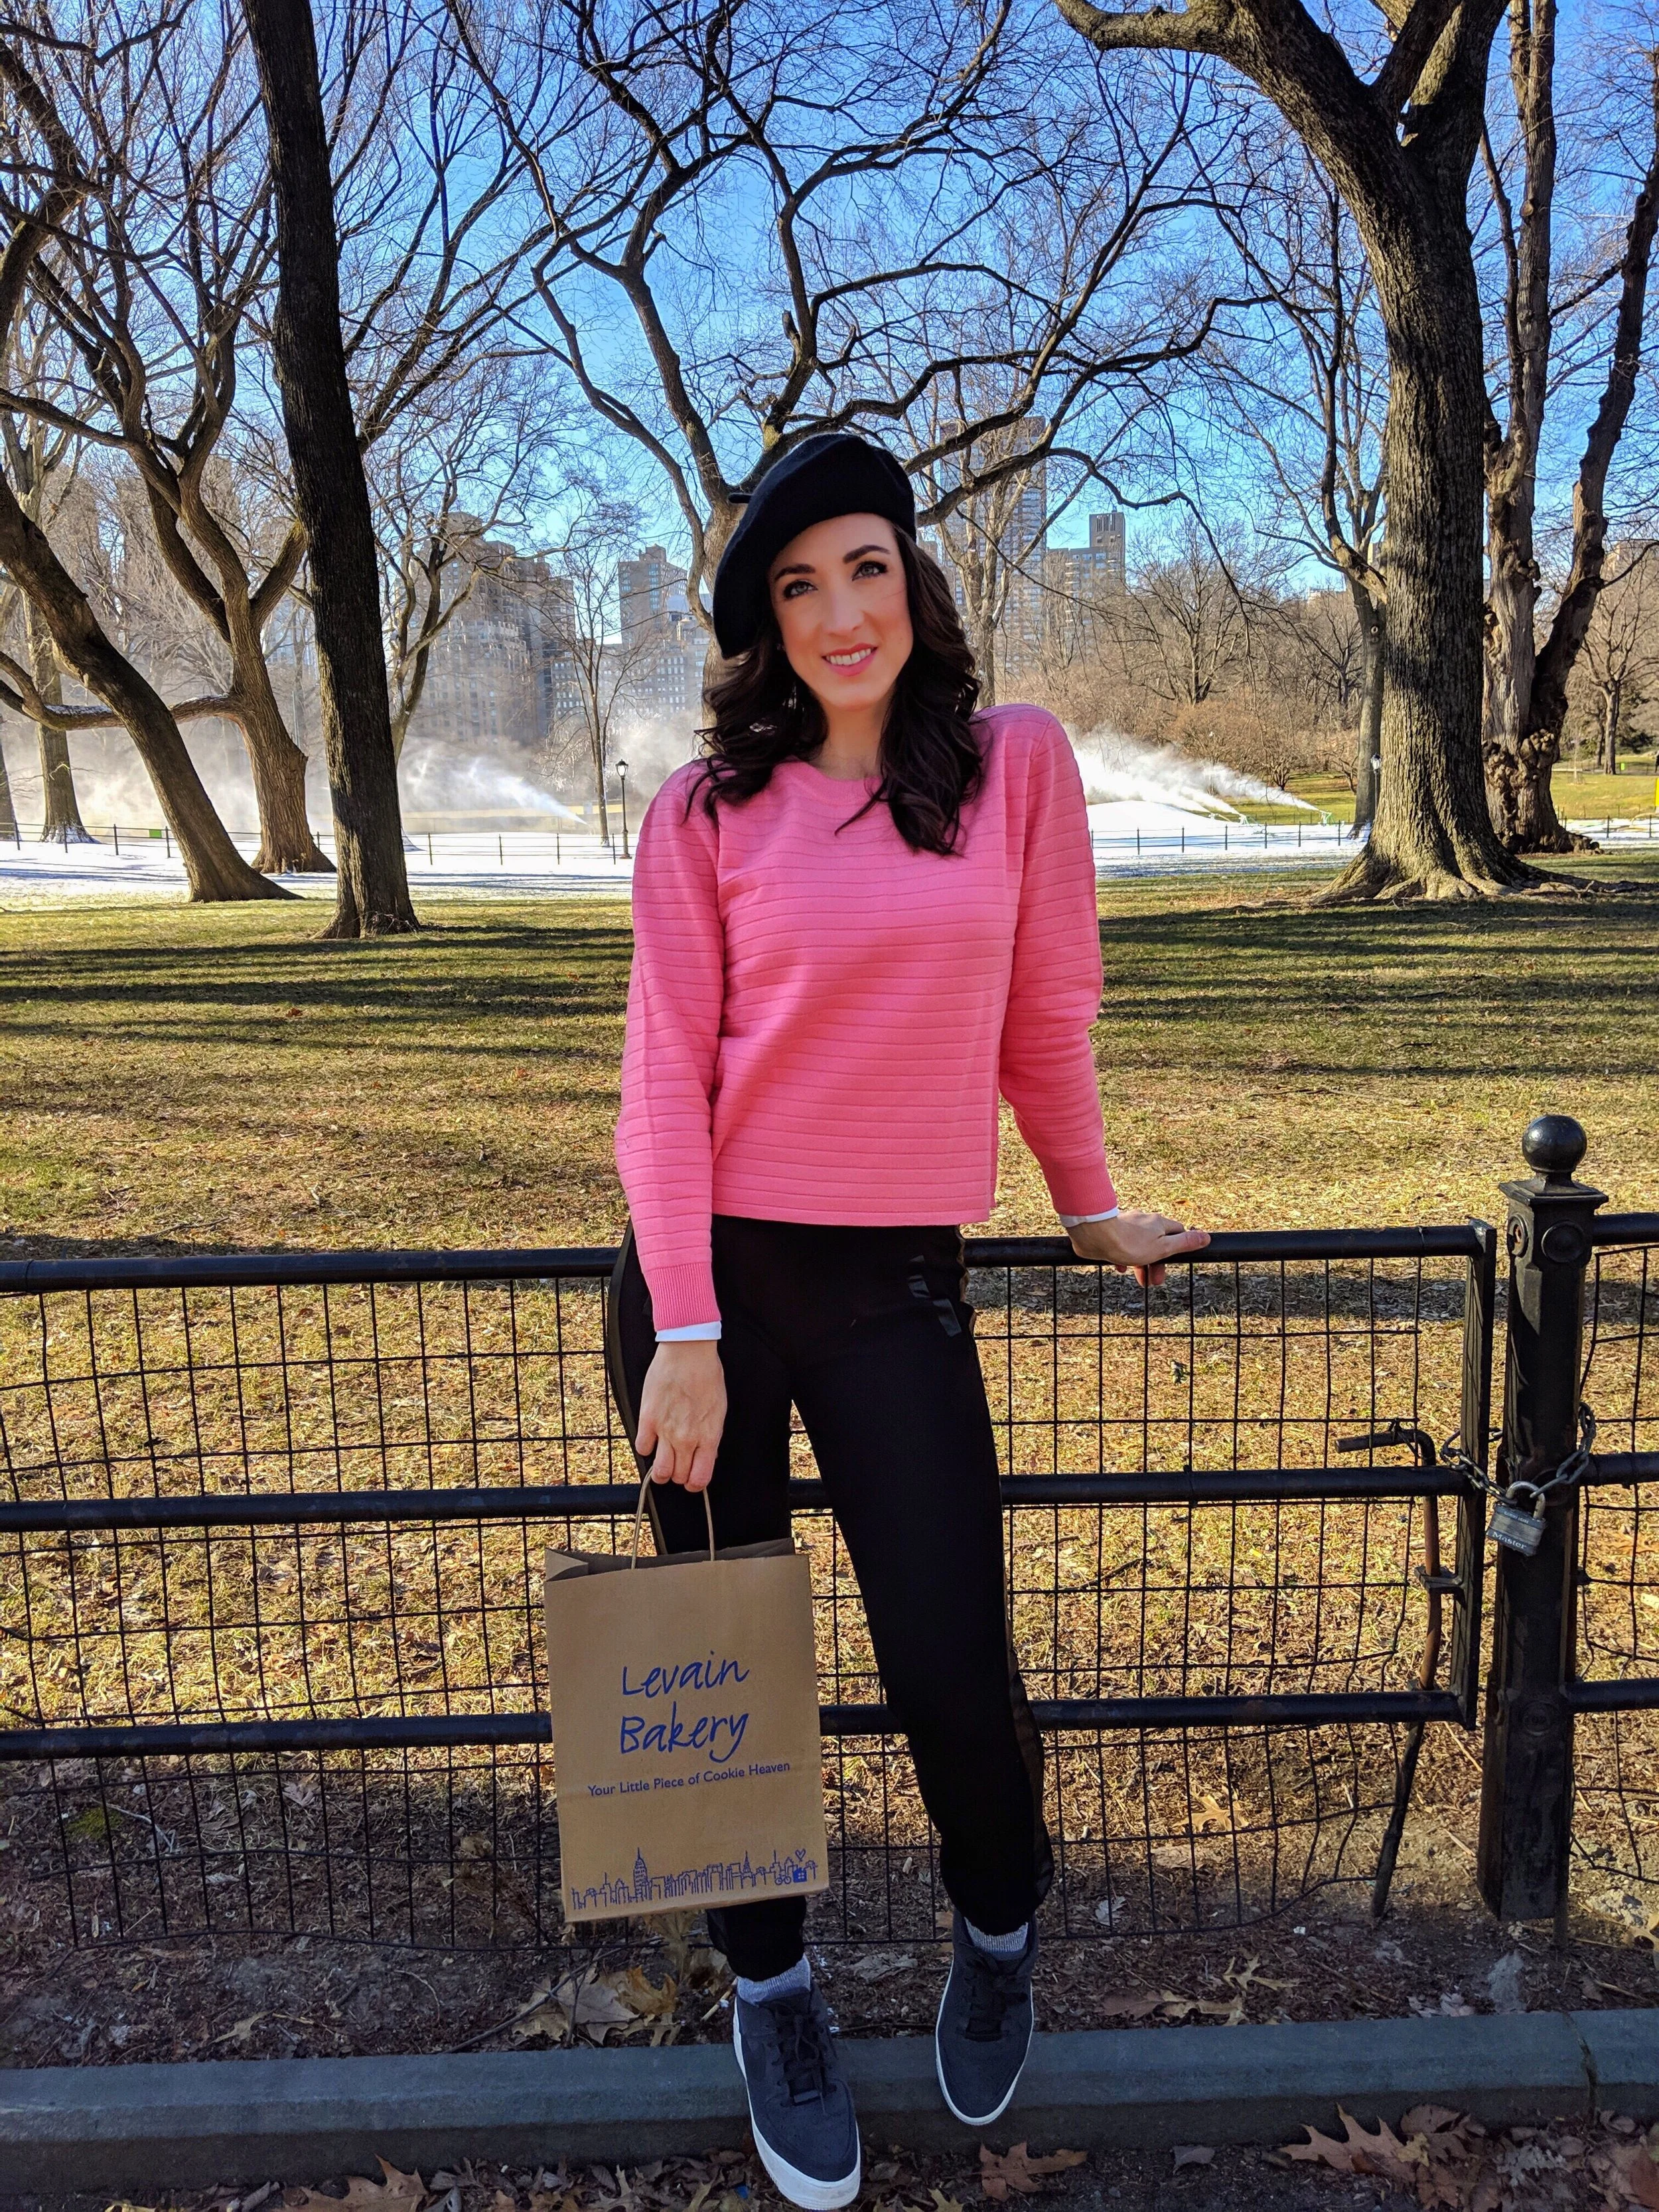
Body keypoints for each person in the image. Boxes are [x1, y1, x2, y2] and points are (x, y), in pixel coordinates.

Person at [610, 431, 1207, 2210]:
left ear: (911, 578)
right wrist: (690, 1328)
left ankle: (999, 1914)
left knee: (950, 1649)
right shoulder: (705, 808)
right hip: (705, 1287)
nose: (837, 610)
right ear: (761, 624)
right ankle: (770, 1986)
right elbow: (658, 1073)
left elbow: (1047, 1009)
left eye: (861, 566)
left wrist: (1085, 1201)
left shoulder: (1012, 767)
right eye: (795, 586)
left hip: (893, 1283)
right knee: (719, 1662)